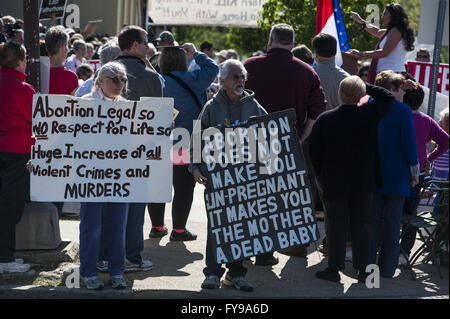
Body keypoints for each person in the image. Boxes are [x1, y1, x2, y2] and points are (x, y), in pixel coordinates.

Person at [244, 23, 327, 265]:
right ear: (292, 43)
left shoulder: (249, 66)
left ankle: (247, 248)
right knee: (281, 199)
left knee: (250, 197)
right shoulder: (306, 72)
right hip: (287, 140)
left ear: (270, 41)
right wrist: (301, 137)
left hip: (251, 139)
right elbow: (317, 111)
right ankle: (266, 252)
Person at [189, 59, 267, 291]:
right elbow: (196, 137)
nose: (240, 81)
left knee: (241, 224)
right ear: (222, 81)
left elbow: (271, 136)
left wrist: (267, 170)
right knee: (217, 226)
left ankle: (236, 273)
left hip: (245, 179)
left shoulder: (254, 106)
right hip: (217, 178)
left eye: (242, 76)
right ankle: (212, 272)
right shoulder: (212, 107)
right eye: (235, 76)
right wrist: (194, 168)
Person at [309, 76, 395, 283]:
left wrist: (321, 174)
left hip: (334, 181)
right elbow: (388, 97)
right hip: (363, 181)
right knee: (362, 225)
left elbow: (314, 152)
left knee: (336, 225)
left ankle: (334, 269)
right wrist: (367, 86)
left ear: (339, 94)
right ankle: (364, 270)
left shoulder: (326, 119)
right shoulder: (369, 115)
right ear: (361, 96)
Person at [147, 43, 218, 241]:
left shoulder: (156, 80)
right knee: (184, 186)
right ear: (183, 60)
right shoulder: (193, 79)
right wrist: (196, 54)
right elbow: (213, 69)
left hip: (158, 141)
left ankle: (157, 227)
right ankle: (179, 230)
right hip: (183, 140)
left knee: (156, 185)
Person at [114, 25, 162, 271]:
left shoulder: (104, 72)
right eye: (145, 42)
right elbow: (160, 121)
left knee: (109, 205)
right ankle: (132, 257)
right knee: (134, 208)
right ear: (134, 45)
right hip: (140, 153)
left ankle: (107, 256)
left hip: (106, 153)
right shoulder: (150, 77)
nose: (148, 47)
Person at [79, 62, 129, 290]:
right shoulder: (85, 103)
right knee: (91, 226)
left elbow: (142, 141)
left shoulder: (129, 108)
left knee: (118, 227)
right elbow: (62, 137)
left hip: (121, 176)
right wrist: (43, 160)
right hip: (90, 175)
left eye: (123, 79)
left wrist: (160, 128)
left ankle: (117, 272)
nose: (120, 84)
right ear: (100, 81)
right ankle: (89, 272)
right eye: (115, 79)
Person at [369, 70, 419, 278]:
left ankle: (367, 266)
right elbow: (409, 144)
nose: (403, 93)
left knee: (371, 224)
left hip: (372, 174)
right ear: (391, 89)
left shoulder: (368, 106)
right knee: (392, 225)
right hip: (397, 176)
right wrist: (415, 171)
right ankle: (387, 270)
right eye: (399, 89)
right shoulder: (402, 111)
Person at [399, 85, 449, 264]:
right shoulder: (426, 120)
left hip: (397, 172)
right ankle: (404, 251)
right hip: (418, 173)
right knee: (411, 214)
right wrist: (429, 158)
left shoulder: (397, 117)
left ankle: (388, 248)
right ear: (420, 102)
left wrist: (429, 157)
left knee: (392, 212)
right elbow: (446, 142)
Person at [0, 42, 35, 273]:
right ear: (20, 61)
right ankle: (5, 259)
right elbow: (37, 121)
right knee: (10, 207)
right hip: (17, 153)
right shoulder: (23, 88)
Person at [349, 3, 415, 83]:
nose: (382, 17)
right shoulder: (392, 31)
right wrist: (360, 20)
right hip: (387, 75)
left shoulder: (396, 31)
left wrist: (361, 54)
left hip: (392, 76)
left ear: (393, 16)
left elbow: (384, 52)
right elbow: (376, 31)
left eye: (385, 14)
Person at [312, 33, 350, 111]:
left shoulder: (309, 76)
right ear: (336, 52)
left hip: (318, 121)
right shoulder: (348, 78)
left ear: (315, 53)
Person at [45, 26, 79, 95]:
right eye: (67, 46)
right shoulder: (71, 76)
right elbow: (76, 103)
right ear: (63, 47)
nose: (68, 50)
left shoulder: (37, 73)